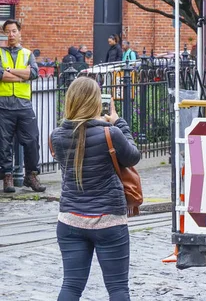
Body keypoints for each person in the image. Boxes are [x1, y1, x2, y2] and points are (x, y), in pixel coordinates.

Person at [50, 76, 141, 300]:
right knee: (118, 289)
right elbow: (133, 157)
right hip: (108, 220)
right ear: (96, 102)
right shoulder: (111, 133)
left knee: (71, 286)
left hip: (70, 220)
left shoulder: (56, 136)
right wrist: (119, 123)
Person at [0, 19, 46, 193]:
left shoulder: (27, 53)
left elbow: (33, 73)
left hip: (24, 105)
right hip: (3, 104)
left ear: (19, 32)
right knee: (3, 144)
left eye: (14, 31)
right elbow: (0, 74)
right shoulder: (0, 53)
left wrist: (10, 71)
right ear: (5, 34)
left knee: (32, 140)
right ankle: (7, 176)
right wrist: (21, 75)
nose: (11, 35)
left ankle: (31, 175)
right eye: (8, 32)